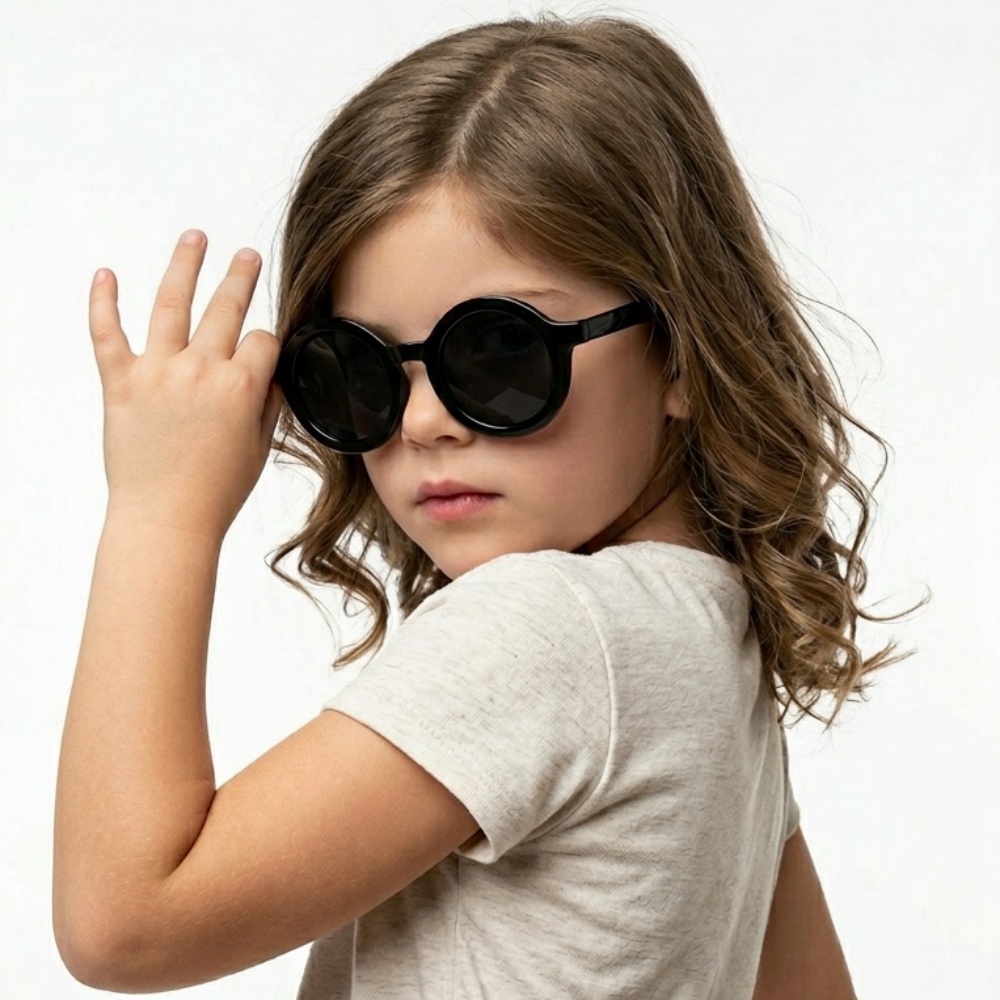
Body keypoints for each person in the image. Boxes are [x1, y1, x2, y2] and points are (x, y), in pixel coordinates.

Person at [53, 13, 918, 999]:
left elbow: (126, 927)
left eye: (500, 351)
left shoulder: (553, 626)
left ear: (683, 350)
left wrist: (160, 511)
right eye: (361, 370)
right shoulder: (706, 646)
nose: (422, 421)